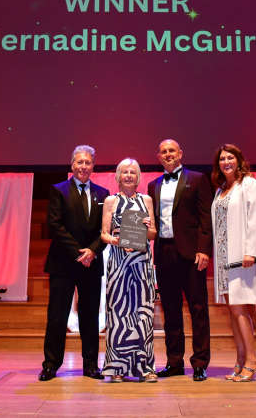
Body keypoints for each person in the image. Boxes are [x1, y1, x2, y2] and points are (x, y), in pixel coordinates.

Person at [40, 145, 109, 381]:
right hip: (63, 263)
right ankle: (50, 364)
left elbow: (105, 229)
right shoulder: (58, 190)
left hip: (92, 263)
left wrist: (92, 251)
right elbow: (55, 225)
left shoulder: (103, 194)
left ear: (93, 166)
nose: (83, 166)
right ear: (72, 165)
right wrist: (80, 252)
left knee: (89, 317)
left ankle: (90, 365)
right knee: (57, 316)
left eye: (87, 162)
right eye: (79, 162)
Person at [146, 138, 213, 381]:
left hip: (192, 254)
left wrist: (204, 249)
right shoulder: (153, 185)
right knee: (170, 310)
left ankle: (200, 363)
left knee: (198, 309)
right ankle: (174, 362)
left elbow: (206, 219)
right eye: (163, 151)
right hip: (164, 253)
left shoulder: (197, 179)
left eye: (172, 150)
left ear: (181, 153)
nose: (168, 154)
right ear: (158, 156)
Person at [210, 143, 256, 382]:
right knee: (234, 311)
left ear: (239, 160)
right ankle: (241, 358)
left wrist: (250, 252)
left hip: (242, 259)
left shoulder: (249, 185)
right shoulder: (221, 190)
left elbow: (255, 219)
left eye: (230, 157)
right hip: (224, 261)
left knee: (242, 309)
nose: (226, 162)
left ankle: (252, 361)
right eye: (222, 159)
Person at [100, 158, 158, 382]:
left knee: (143, 314)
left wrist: (145, 229)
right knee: (118, 314)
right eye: (124, 172)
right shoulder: (110, 201)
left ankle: (145, 367)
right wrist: (116, 241)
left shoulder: (146, 200)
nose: (128, 176)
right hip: (118, 263)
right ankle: (116, 368)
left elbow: (153, 234)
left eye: (133, 172)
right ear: (117, 176)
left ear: (138, 177)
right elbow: (104, 234)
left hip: (141, 263)